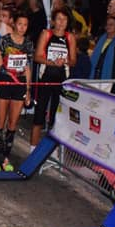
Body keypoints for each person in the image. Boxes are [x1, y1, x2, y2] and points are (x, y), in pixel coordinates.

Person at [30, 8, 77, 147]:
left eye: (65, 19)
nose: (62, 22)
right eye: (59, 19)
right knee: (39, 114)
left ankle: (52, 149)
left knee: (57, 117)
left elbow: (74, 60)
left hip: (61, 81)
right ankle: (33, 148)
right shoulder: (46, 34)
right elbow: (37, 56)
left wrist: (65, 61)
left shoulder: (70, 37)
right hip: (45, 78)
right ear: (53, 21)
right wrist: (51, 62)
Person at [0, 11, 33, 171]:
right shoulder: (4, 41)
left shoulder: (28, 44)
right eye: (20, 24)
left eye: (25, 25)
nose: (22, 28)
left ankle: (6, 158)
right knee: (0, 122)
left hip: (19, 84)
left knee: (12, 123)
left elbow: (28, 68)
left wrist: (28, 90)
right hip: (4, 81)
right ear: (14, 24)